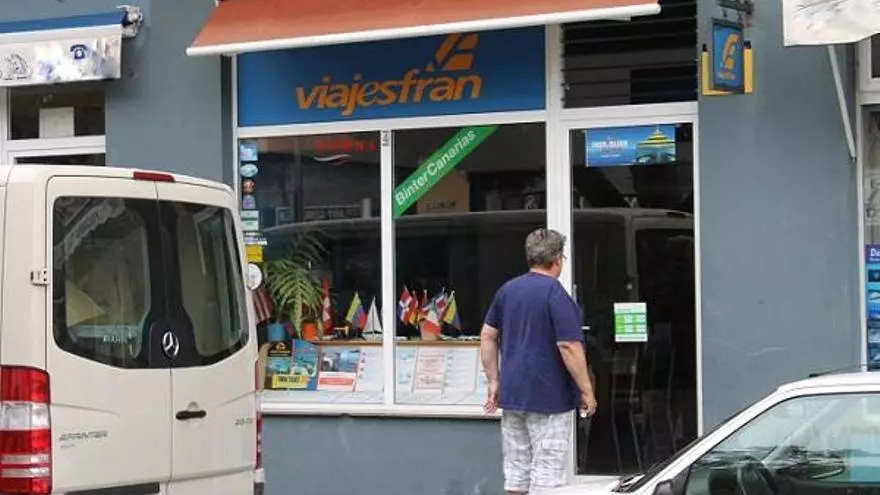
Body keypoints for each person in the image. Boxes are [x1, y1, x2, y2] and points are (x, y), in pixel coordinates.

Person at [480, 228, 597, 494]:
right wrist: (586, 389)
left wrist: (494, 380)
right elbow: (568, 346)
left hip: (513, 394)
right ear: (557, 260)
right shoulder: (556, 295)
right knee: (547, 475)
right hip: (549, 397)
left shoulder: (507, 291)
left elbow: (487, 336)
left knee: (516, 472)